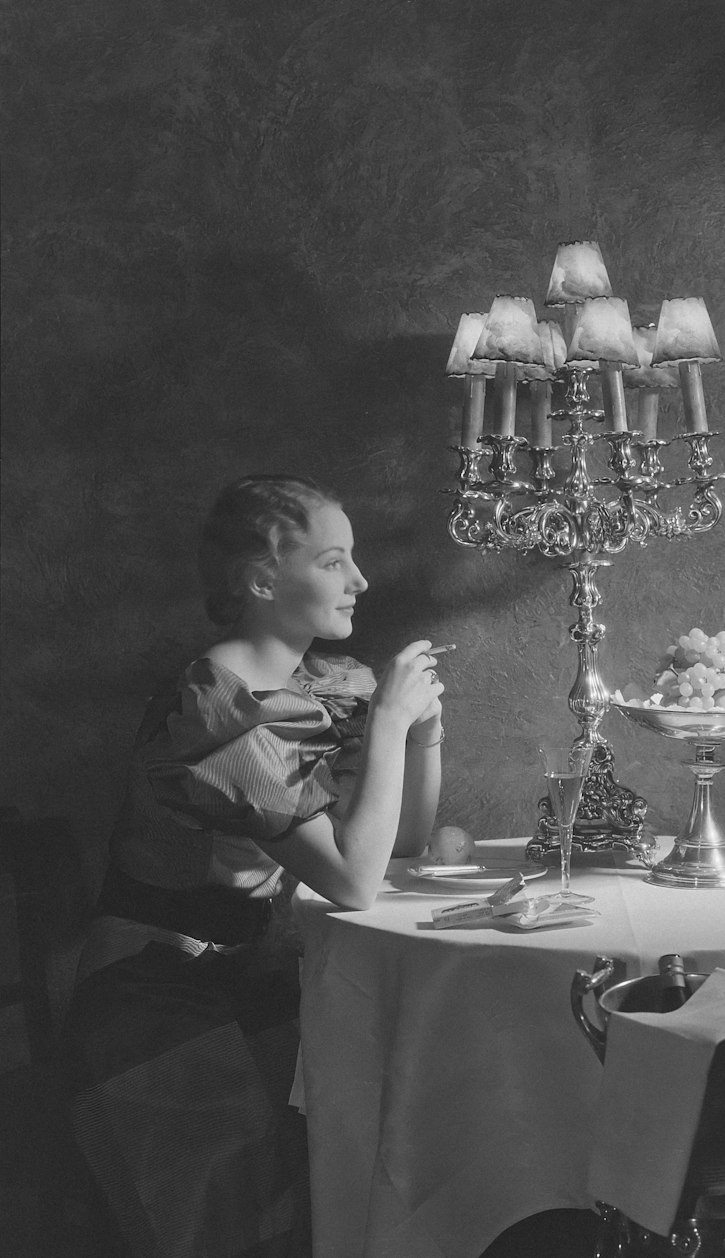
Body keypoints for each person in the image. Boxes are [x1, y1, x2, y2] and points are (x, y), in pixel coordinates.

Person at [58, 474, 444, 1257]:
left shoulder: (311, 688)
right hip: (151, 996)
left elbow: (401, 843)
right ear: (263, 580)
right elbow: (355, 881)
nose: (360, 582)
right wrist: (392, 721)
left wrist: (421, 735)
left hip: (247, 978)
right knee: (244, 1217)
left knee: (390, 1098)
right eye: (335, 561)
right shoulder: (216, 711)